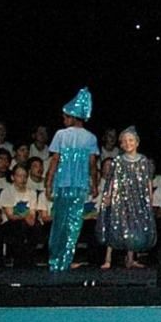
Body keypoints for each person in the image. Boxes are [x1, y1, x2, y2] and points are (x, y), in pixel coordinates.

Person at [45, 88, 99, 271]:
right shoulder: (91, 138)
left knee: (59, 222)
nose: (64, 119)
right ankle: (64, 260)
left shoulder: (61, 135)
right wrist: (95, 184)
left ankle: (55, 260)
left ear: (74, 116)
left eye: (66, 116)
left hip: (63, 185)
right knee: (73, 225)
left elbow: (55, 161)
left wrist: (49, 183)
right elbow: (92, 165)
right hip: (79, 186)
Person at [97, 126, 156, 269]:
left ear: (137, 142)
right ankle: (108, 259)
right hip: (120, 199)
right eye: (125, 141)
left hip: (137, 199)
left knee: (134, 227)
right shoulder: (118, 161)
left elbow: (147, 180)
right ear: (121, 144)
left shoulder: (143, 160)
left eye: (131, 140)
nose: (128, 143)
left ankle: (130, 259)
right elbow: (112, 180)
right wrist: (109, 196)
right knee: (115, 225)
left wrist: (149, 197)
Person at [0, 163, 40, 267]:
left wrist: (30, 219)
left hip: (26, 221)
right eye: (19, 176)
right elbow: (10, 215)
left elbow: (32, 212)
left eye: (25, 176)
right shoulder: (6, 192)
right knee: (20, 226)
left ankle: (31, 258)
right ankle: (19, 260)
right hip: (10, 223)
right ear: (13, 177)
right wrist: (25, 218)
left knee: (36, 226)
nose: (22, 179)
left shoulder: (32, 193)